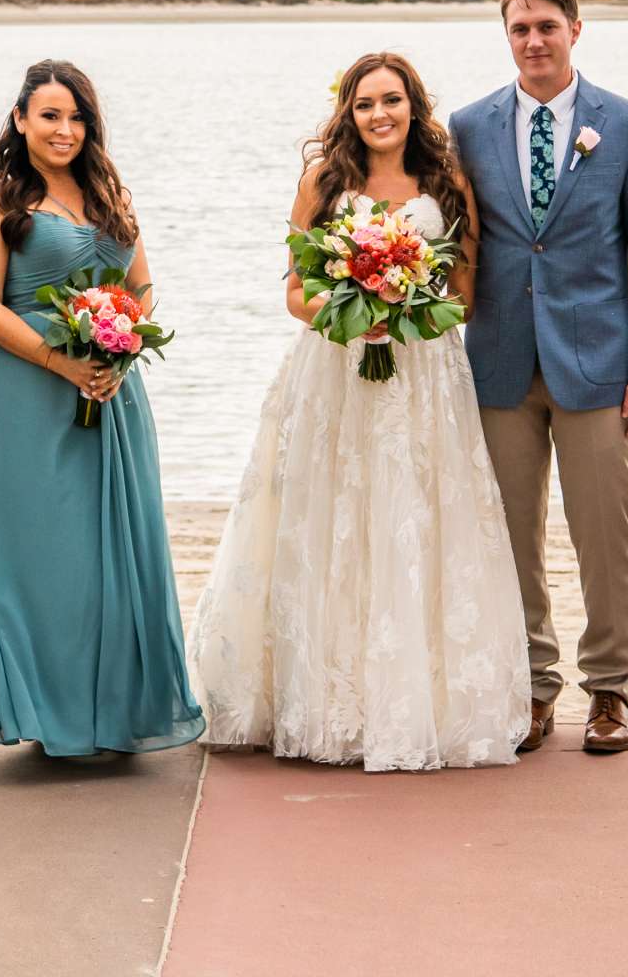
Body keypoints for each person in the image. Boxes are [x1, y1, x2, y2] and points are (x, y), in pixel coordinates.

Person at [192, 52, 530, 771]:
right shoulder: (325, 182)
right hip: (335, 371)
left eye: (392, 100)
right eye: (365, 103)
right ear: (347, 111)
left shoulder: (446, 181)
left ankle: (420, 705)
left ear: (415, 106)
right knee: (329, 524)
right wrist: (352, 313)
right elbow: (294, 291)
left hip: (424, 374)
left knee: (419, 523)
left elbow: (465, 293)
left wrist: (405, 304)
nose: (380, 115)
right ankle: (326, 699)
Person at [0, 60, 204, 759]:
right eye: (50, 116)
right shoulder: (1, 203)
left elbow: (142, 287)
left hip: (112, 392)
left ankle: (115, 712)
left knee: (111, 553)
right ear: (21, 121)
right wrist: (62, 360)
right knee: (45, 555)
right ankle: (50, 715)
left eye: (76, 117)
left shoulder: (110, 193)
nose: (64, 130)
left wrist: (119, 348)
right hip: (29, 391)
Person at [450, 0, 628, 755]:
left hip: (598, 364)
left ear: (575, 29)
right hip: (501, 362)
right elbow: (460, 246)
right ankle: (532, 686)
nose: (533, 40)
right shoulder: (468, 127)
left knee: (603, 534)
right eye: (519, 28)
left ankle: (610, 689)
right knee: (511, 534)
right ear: (506, 36)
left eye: (546, 25)